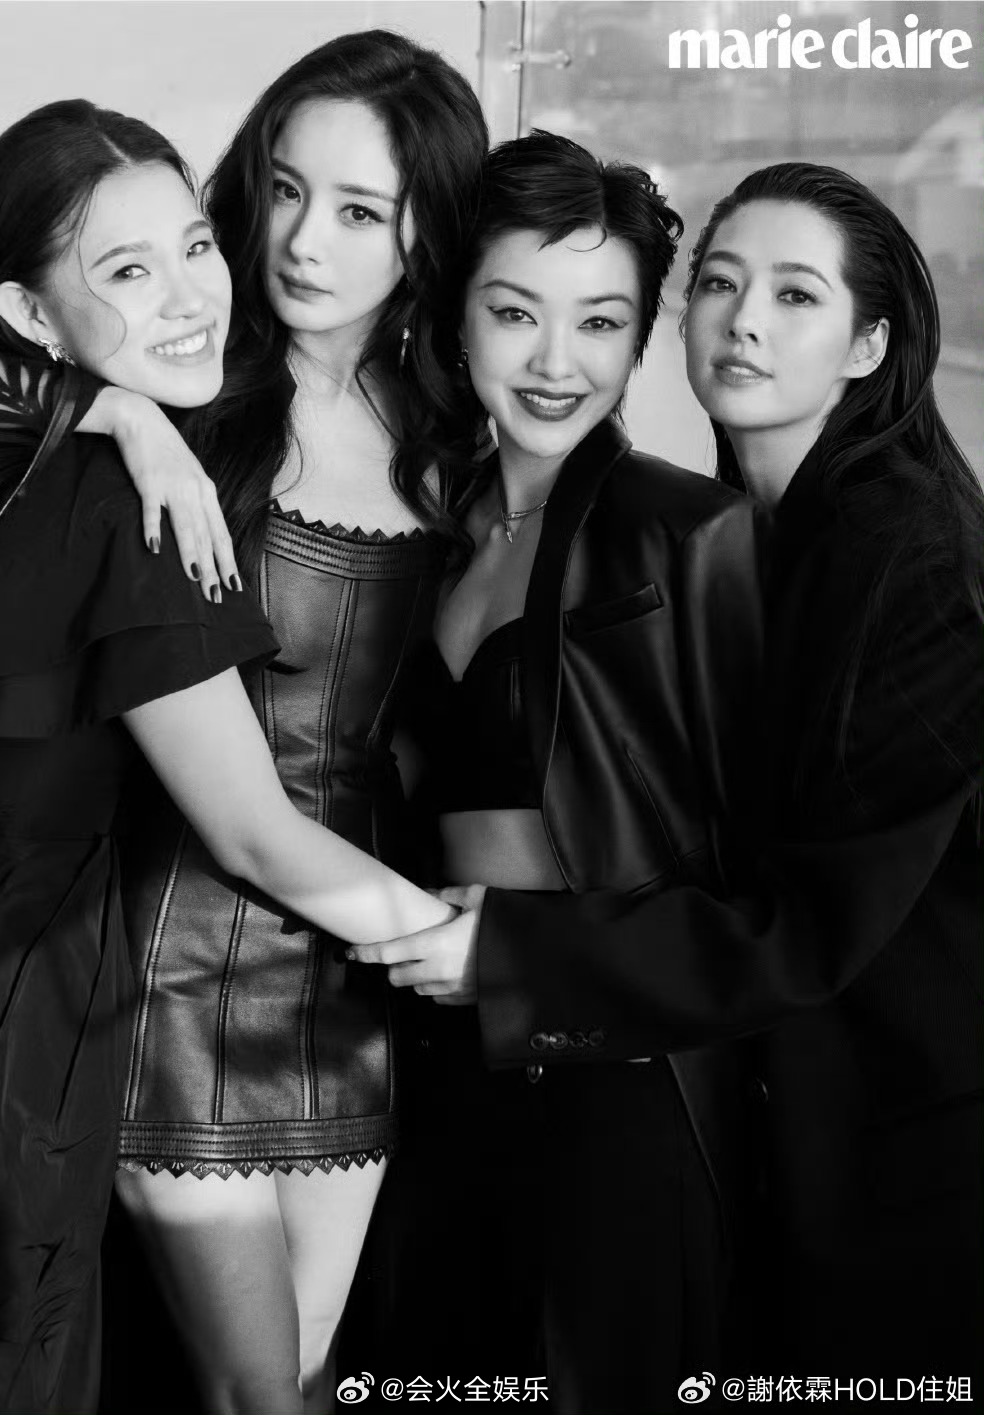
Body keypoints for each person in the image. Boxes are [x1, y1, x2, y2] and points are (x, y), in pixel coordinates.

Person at [0, 33, 489, 1415]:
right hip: (166, 948)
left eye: (360, 210)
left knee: (311, 1373)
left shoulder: (452, 425)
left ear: (426, 232)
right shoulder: (187, 407)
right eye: (281, 191)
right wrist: (97, 398)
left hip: (348, 963)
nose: (300, 242)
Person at [361, 161, 984, 1389]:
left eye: (796, 295)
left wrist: (521, 953)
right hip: (762, 1085)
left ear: (869, 345)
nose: (745, 321)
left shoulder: (906, 558)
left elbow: (804, 918)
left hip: (909, 1117)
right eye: (722, 284)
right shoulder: (762, 525)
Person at [352, 132, 764, 1413]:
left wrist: (529, 955)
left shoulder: (689, 535)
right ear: (457, 317)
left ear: (640, 341)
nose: (555, 361)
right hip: (436, 1063)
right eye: (516, 311)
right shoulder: (430, 525)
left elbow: (760, 887)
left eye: (601, 322)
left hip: (617, 1080)